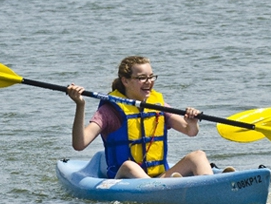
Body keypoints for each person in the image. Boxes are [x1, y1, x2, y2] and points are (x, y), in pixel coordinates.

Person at [67, 55, 229, 179]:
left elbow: (190, 131)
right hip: (124, 179)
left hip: (159, 178)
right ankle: (167, 188)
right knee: (130, 165)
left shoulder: (157, 104)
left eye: (151, 76)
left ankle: (214, 185)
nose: (149, 82)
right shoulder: (110, 111)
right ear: (125, 81)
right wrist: (80, 105)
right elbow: (79, 144)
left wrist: (192, 121)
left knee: (198, 156)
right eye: (142, 78)